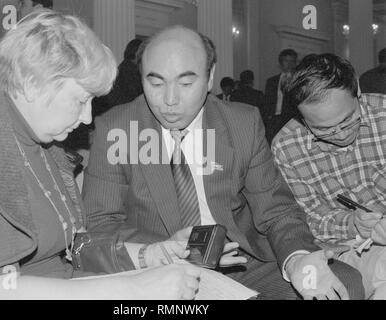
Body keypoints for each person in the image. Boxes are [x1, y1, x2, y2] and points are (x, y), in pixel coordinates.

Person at [82, 25, 364, 300]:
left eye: (186, 83)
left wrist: (297, 260)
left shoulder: (241, 122)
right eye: (155, 83)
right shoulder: (116, 128)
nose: (169, 99)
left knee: (343, 285)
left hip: (239, 262)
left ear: (210, 77)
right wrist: (157, 250)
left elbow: (275, 209)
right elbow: (99, 223)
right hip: (161, 264)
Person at [0, 10, 201, 300]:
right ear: (33, 83)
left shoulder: (45, 145)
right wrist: (135, 288)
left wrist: (147, 255)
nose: (88, 117)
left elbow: (72, 248)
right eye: (81, 99)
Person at [272, 53, 386, 299]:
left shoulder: (384, 114)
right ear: (302, 117)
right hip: (350, 250)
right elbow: (306, 219)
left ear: (357, 90)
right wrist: (353, 223)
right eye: (322, 129)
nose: (340, 134)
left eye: (348, 120)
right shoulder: (288, 146)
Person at [264, 49, 298, 144]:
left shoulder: (298, 80)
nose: (289, 64)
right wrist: (268, 118)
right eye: (286, 61)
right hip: (273, 120)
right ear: (280, 63)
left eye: (292, 61)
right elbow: (267, 101)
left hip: (291, 120)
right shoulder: (271, 81)